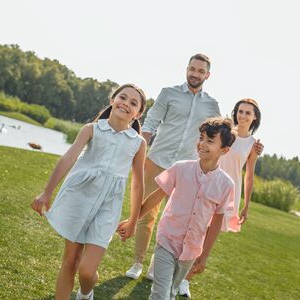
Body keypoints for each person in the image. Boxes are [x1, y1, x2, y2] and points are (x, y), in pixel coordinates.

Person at [31, 84, 147, 300]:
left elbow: (138, 183)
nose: (126, 104)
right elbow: (69, 158)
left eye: (133, 103)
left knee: (86, 271)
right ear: (112, 99)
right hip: (79, 198)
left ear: (138, 113)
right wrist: (46, 192)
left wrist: (133, 219)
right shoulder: (91, 129)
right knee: (71, 260)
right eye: (122, 97)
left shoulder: (138, 143)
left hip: (108, 207)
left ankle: (86, 292)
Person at [125, 54, 221, 280]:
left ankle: (155, 268)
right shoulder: (169, 93)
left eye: (200, 71)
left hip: (187, 169)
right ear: (187, 69)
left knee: (175, 221)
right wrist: (140, 149)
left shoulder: (212, 105)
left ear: (207, 75)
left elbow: (218, 137)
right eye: (192, 69)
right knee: (145, 213)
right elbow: (151, 122)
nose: (195, 74)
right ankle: (137, 262)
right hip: (158, 160)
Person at [118, 118, 236, 300]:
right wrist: (133, 220)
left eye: (210, 141)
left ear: (224, 150)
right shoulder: (180, 168)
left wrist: (204, 256)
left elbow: (216, 222)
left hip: (191, 249)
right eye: (201, 138)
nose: (202, 144)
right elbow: (155, 198)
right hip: (167, 239)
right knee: (160, 294)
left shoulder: (226, 184)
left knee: (171, 292)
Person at [178, 98, 262, 298]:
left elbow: (249, 176)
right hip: (206, 183)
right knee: (190, 229)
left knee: (206, 238)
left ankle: (185, 279)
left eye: (247, 113)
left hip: (227, 193)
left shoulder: (253, 145)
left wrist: (246, 205)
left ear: (254, 117)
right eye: (240, 111)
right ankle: (169, 270)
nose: (242, 115)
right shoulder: (225, 133)